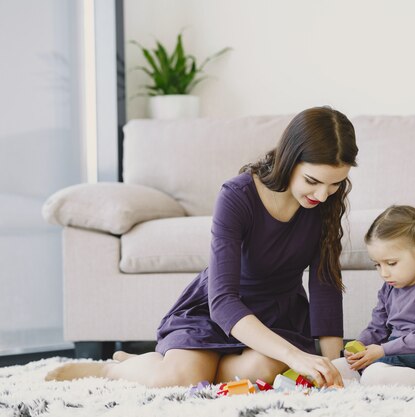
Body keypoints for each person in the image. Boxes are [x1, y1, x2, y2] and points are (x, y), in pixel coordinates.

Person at [45, 106, 358, 388]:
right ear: (290, 160)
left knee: (266, 371)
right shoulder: (238, 196)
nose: (323, 195)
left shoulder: (324, 203)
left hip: (278, 317)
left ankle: (191, 365)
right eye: (313, 181)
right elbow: (222, 300)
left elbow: (324, 285)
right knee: (179, 379)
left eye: (335, 184)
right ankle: (117, 370)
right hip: (218, 310)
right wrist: (296, 356)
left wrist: (336, 366)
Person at [332, 205, 415, 386]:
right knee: (334, 368)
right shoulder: (389, 288)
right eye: (377, 265)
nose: (383, 273)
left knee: (373, 376)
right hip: (394, 351)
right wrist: (360, 345)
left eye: (391, 263)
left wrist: (382, 351)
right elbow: (377, 328)